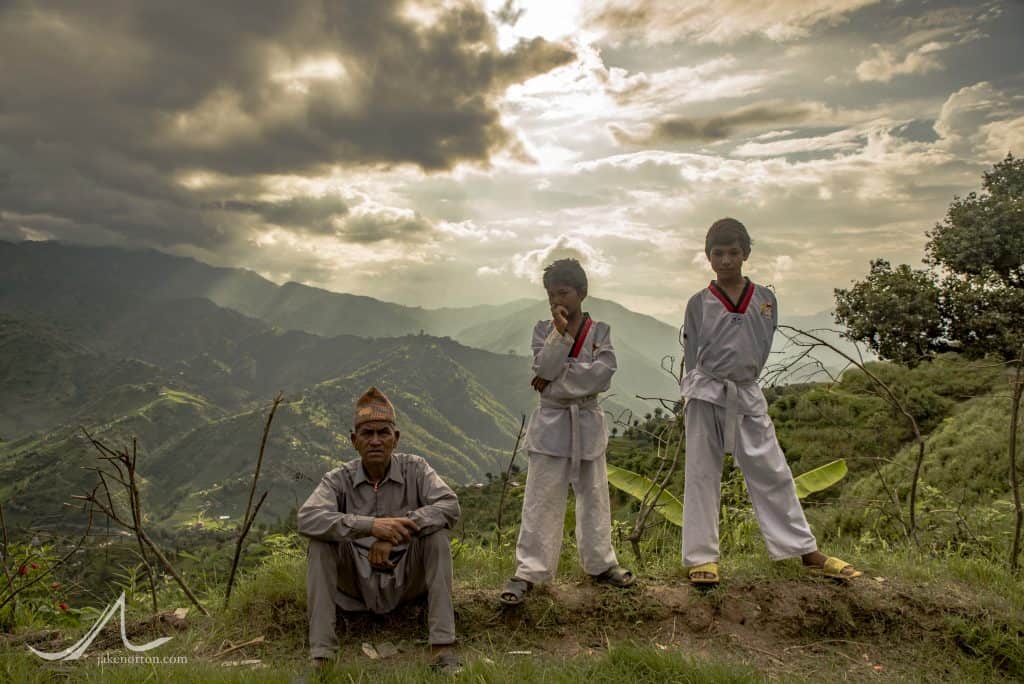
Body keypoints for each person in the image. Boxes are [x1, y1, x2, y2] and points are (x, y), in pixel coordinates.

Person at [679, 218, 861, 585]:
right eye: (719, 253)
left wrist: (742, 377)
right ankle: (702, 557)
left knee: (772, 470)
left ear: (745, 254)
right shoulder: (699, 303)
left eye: (733, 252)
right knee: (701, 473)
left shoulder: (765, 299)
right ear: (708, 257)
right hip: (706, 390)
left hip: (746, 391)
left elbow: (761, 343)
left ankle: (804, 549)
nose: (726, 260)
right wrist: (689, 393)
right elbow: (692, 350)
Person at [298, 387, 462, 673]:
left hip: (406, 576)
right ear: (354, 441)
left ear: (395, 438)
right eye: (367, 434)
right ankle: (321, 657)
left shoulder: (417, 469)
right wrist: (370, 527)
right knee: (320, 543)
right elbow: (308, 518)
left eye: (383, 433)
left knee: (437, 537)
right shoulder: (338, 479)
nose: (376, 441)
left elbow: (449, 505)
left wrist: (396, 532)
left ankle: (442, 648)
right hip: (356, 581)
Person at [500, 258, 634, 605]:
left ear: (582, 293)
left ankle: (602, 564)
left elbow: (603, 374)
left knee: (594, 496)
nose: (556, 299)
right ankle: (530, 570)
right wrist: (560, 341)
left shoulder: (600, 331)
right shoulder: (543, 331)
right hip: (552, 424)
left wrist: (559, 380)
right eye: (550, 294)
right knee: (541, 499)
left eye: (563, 292)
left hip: (586, 422)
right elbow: (543, 370)